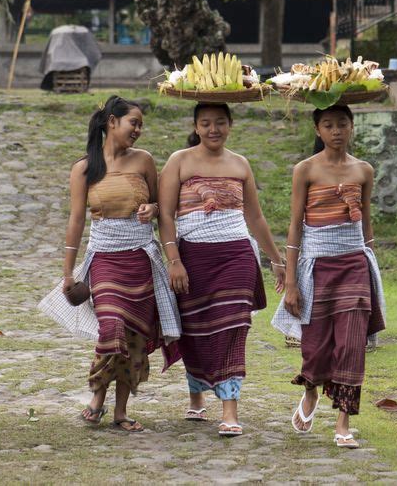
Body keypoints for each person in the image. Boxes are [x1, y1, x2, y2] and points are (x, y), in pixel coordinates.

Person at [39, 95, 181, 432]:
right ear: (111, 122)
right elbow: (76, 220)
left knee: (134, 338)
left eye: (141, 126)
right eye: (134, 123)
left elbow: (161, 209)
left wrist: (153, 209)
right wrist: (67, 272)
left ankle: (120, 411)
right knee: (112, 327)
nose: (138, 130)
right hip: (104, 259)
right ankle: (96, 397)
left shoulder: (144, 161)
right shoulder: (85, 168)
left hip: (141, 259)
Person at [158, 102, 285, 437]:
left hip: (237, 257)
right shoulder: (179, 161)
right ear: (196, 126)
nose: (213, 129)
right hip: (192, 258)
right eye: (205, 123)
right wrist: (174, 260)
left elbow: (255, 218)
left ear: (230, 125)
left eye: (219, 123)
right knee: (197, 329)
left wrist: (276, 259)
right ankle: (196, 395)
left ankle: (230, 410)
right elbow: (166, 215)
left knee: (233, 326)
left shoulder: (240, 164)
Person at [272, 104, 385, 448]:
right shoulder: (305, 170)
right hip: (317, 267)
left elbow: (365, 225)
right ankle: (311, 391)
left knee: (352, 346)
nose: (336, 131)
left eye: (342, 124)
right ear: (317, 130)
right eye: (328, 125)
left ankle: (343, 422)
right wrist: (290, 282)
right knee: (316, 349)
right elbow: (295, 227)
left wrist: (371, 267)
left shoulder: (364, 170)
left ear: (352, 128)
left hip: (354, 265)